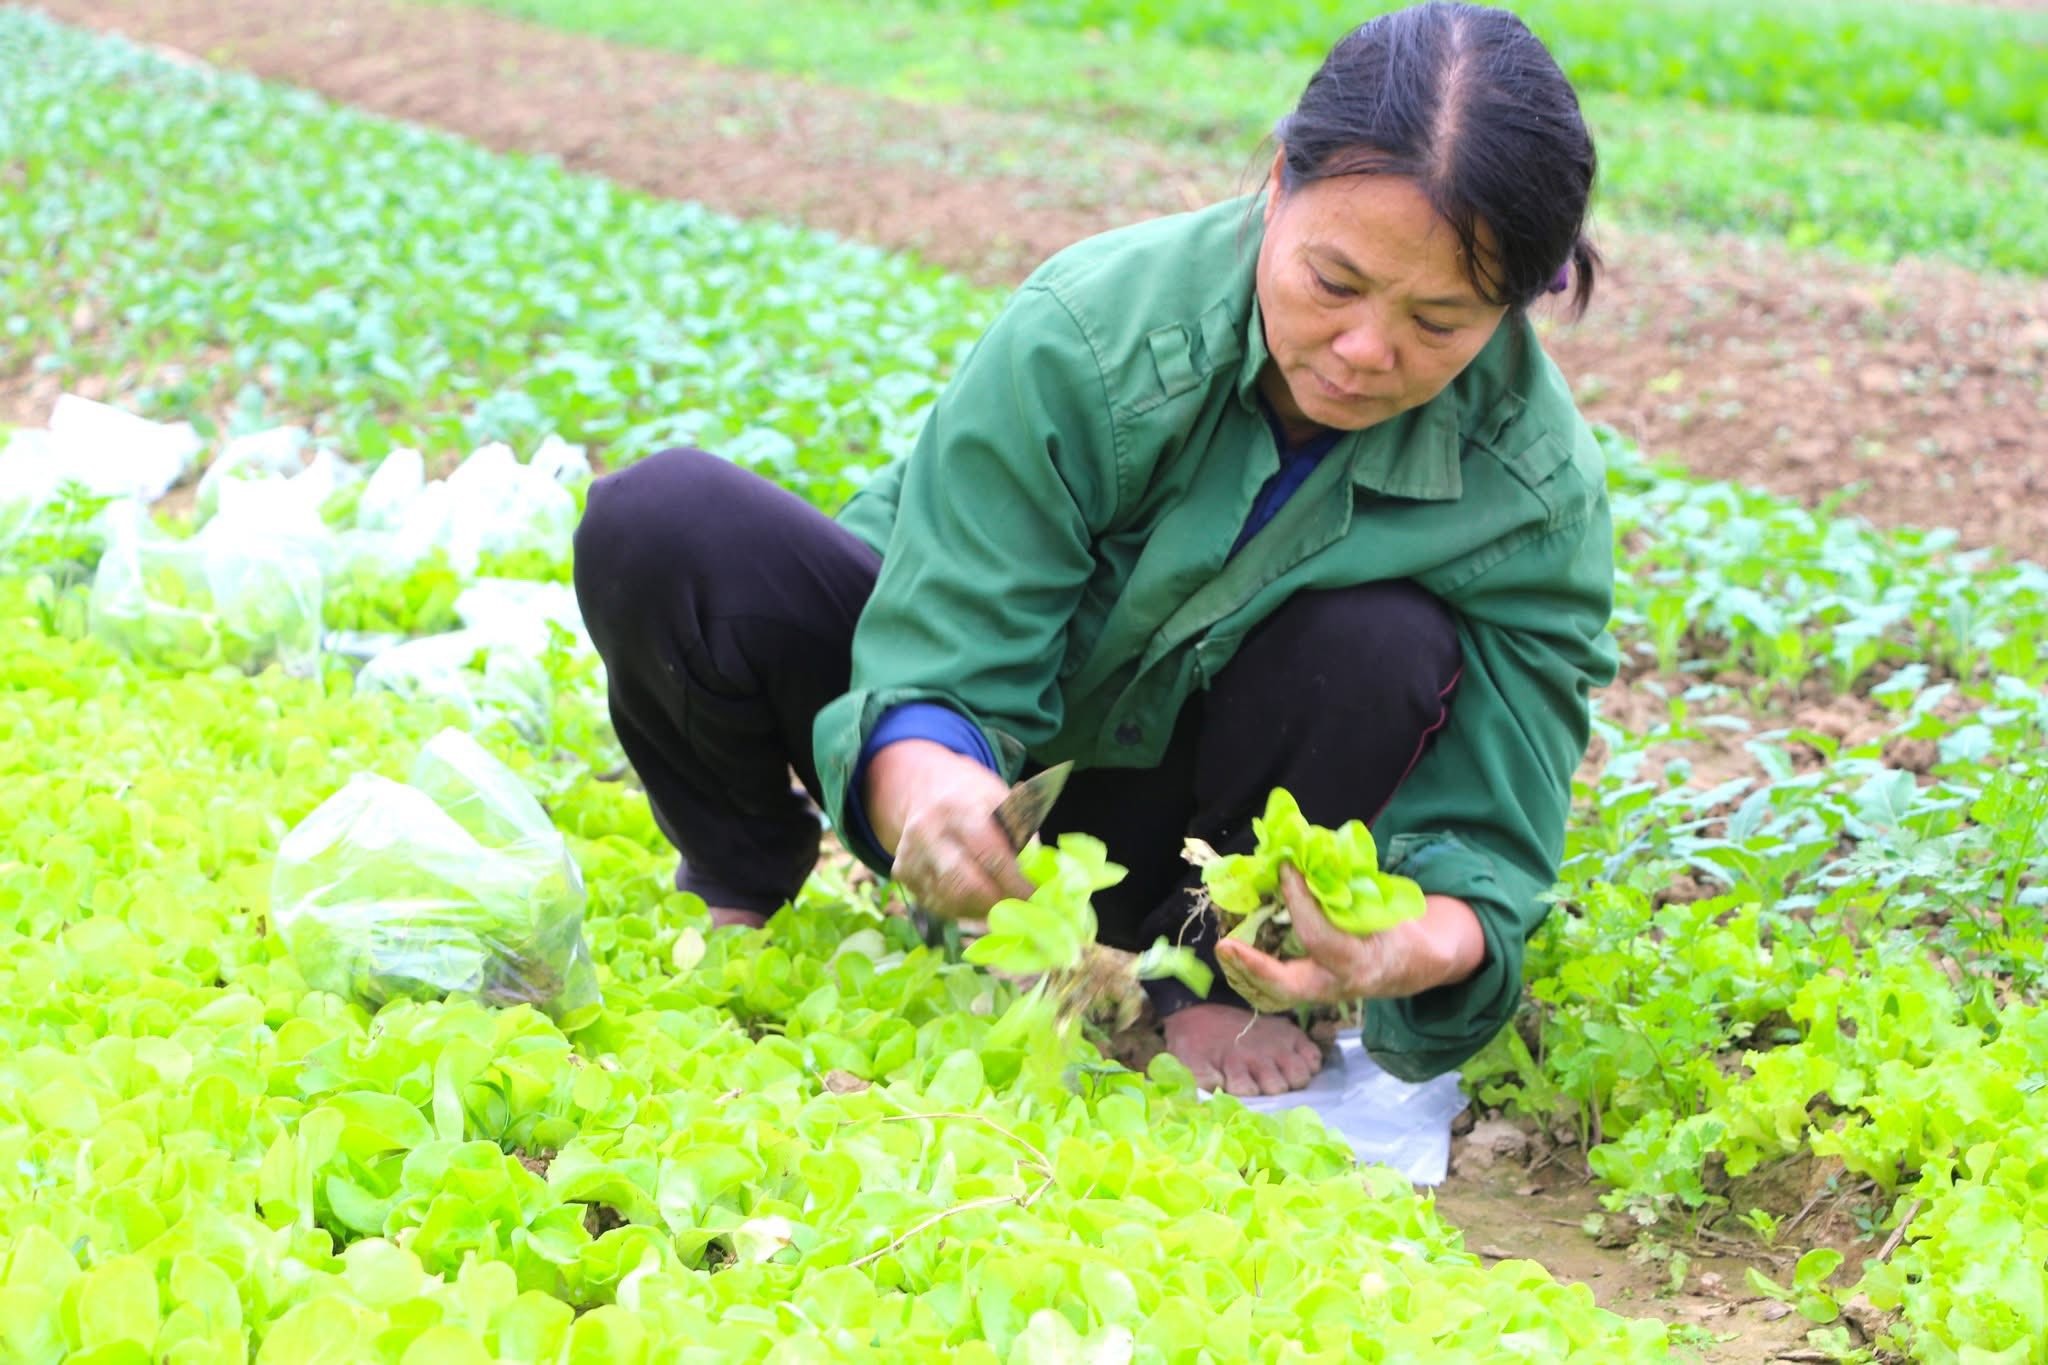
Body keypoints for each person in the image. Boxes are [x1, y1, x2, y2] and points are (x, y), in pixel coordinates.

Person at [572, 0, 1616, 1097]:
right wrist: (929, 781)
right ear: (1276, 187)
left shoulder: (1533, 486)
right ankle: (744, 868)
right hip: (970, 747)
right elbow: (947, 635)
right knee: (664, 524)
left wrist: (1415, 943)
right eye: (1334, 283)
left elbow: (1495, 832)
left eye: (1438, 323)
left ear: (1514, 308)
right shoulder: (1093, 328)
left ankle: (1201, 966)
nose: (1364, 350)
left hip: (1180, 823)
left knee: (1382, 640)